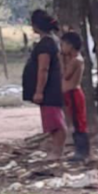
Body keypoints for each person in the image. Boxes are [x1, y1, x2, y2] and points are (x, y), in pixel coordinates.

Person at [22, 9, 66, 158]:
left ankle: (57, 151)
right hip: (51, 87)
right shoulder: (51, 41)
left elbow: (43, 69)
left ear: (36, 25)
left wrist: (39, 90)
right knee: (51, 119)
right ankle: (55, 149)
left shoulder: (46, 44)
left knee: (55, 121)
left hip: (49, 89)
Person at [60, 30, 90, 163]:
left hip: (73, 93)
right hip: (69, 93)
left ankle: (82, 152)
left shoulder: (75, 61)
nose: (62, 48)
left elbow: (66, 75)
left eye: (63, 45)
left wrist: (61, 60)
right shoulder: (74, 59)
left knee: (78, 123)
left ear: (70, 46)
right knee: (73, 121)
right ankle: (79, 150)